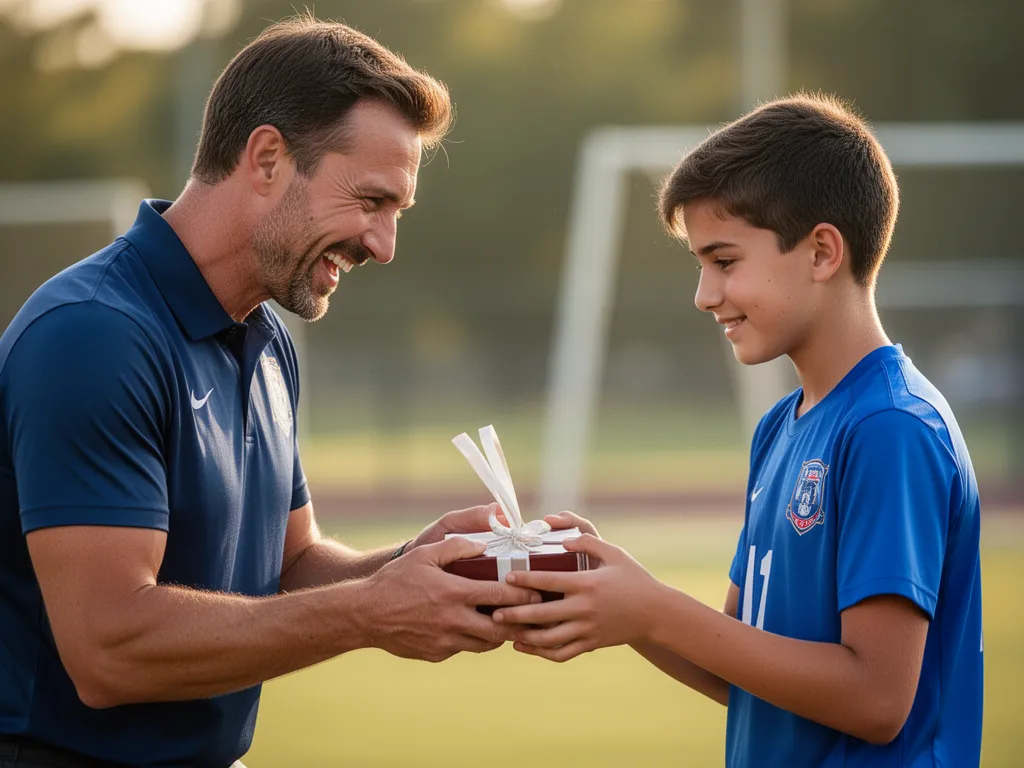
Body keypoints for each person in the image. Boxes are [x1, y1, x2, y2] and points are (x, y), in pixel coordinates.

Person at [0, 15, 539, 768]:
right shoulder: (93, 335)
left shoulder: (265, 334)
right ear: (266, 158)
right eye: (372, 202)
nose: (382, 247)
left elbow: (290, 565)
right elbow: (107, 649)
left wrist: (429, 562)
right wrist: (369, 614)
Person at [492, 94, 984, 767]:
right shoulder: (782, 428)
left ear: (821, 252)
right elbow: (739, 666)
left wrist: (656, 611)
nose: (704, 294)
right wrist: (616, 594)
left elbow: (875, 699)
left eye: (724, 262)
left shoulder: (889, 428)